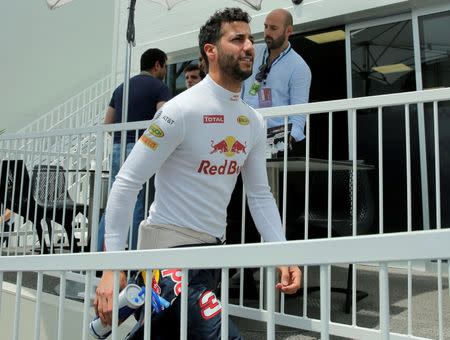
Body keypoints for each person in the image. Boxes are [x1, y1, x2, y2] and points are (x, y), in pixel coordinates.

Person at [94, 7, 301, 339]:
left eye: (250, 38)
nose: (249, 46)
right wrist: (110, 267)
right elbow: (126, 182)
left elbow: (260, 195)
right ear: (211, 51)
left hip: (210, 260)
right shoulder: (180, 110)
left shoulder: (253, 121)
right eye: (237, 39)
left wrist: (282, 253)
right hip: (169, 260)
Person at [97, 48, 171, 251]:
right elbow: (163, 120)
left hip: (118, 147)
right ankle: (134, 259)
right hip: (142, 148)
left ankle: (98, 255)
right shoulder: (160, 87)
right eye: (164, 65)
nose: (165, 69)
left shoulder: (121, 88)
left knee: (115, 201)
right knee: (140, 203)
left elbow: (108, 123)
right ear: (157, 65)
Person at [242, 8, 311, 156]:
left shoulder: (299, 67)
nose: (267, 32)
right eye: (266, 26)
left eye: (273, 28)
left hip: (275, 140)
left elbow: (299, 114)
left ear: (288, 31)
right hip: (243, 132)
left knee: (266, 179)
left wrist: (285, 143)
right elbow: (237, 89)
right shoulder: (253, 52)